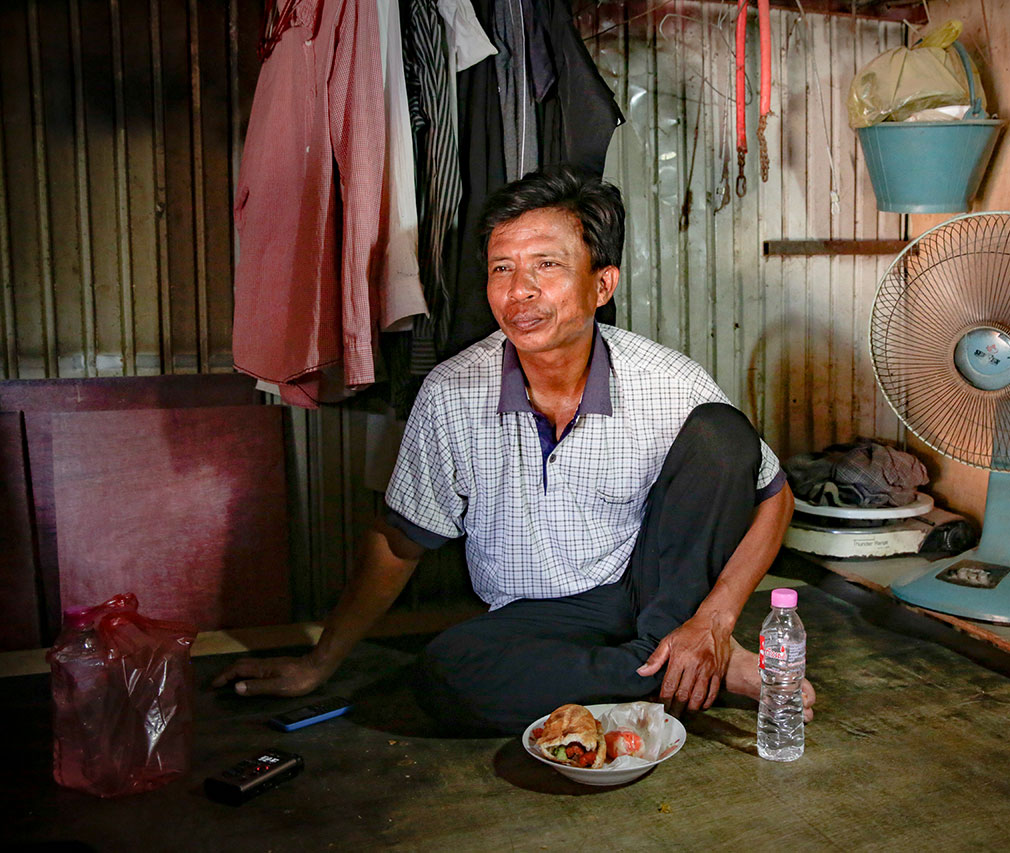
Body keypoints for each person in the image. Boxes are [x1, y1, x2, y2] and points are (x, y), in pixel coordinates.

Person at [214, 165, 815, 734]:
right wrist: (319, 663)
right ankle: (680, 674)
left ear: (602, 284)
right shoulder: (452, 393)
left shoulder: (670, 381)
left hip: (649, 593)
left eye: (546, 265)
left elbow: (775, 498)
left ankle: (680, 650)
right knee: (448, 671)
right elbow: (401, 540)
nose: (519, 291)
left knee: (721, 431)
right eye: (502, 269)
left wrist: (713, 620)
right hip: (530, 621)